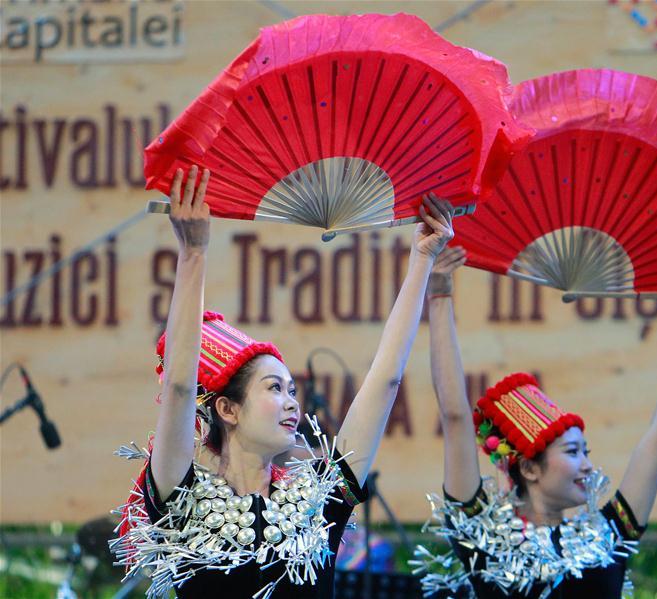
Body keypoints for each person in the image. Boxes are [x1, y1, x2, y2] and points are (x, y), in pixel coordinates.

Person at [111, 166, 456, 599]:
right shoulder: (185, 498)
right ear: (228, 409)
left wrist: (422, 260)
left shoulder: (320, 501)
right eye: (275, 389)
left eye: (292, 390)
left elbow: (386, 381)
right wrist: (193, 254)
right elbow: (180, 389)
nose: (293, 403)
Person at [415, 246, 657, 598]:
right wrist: (439, 292)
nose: (588, 465)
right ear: (530, 469)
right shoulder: (484, 538)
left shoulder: (607, 536)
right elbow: (455, 418)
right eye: (574, 451)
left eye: (586, 451)